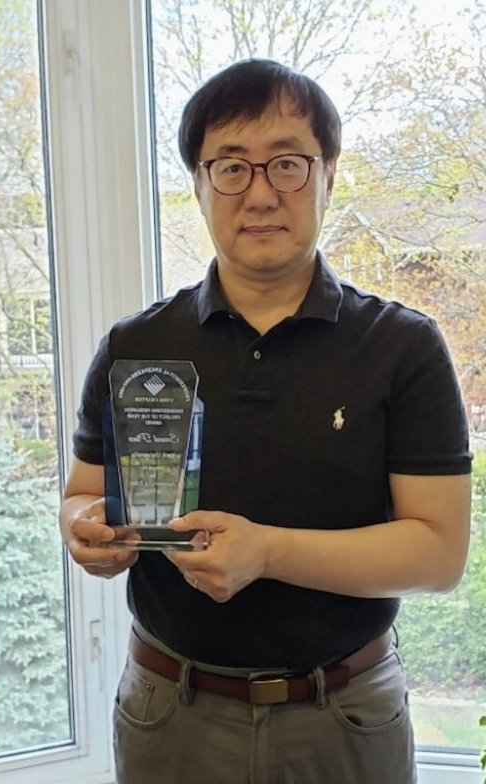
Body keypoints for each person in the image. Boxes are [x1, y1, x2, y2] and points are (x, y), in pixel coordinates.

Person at [60, 59, 471, 784]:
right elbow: (83, 492)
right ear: (197, 184)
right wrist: (87, 528)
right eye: (230, 167)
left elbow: (438, 554)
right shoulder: (136, 346)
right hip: (170, 711)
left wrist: (267, 553)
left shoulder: (403, 346)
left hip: (345, 714)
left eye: (287, 164)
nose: (260, 194)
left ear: (328, 175)